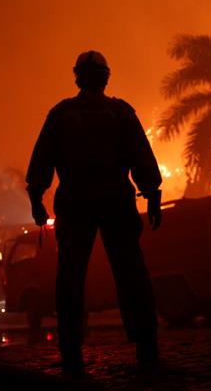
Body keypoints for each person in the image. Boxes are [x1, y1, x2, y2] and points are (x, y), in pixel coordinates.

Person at [26, 50, 163, 374]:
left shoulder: (61, 114)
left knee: (70, 275)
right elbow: (141, 156)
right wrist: (152, 193)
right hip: (116, 198)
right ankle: (147, 350)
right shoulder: (120, 113)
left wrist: (36, 197)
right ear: (105, 77)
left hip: (75, 200)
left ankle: (71, 353)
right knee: (132, 273)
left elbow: (42, 159)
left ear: (77, 77)